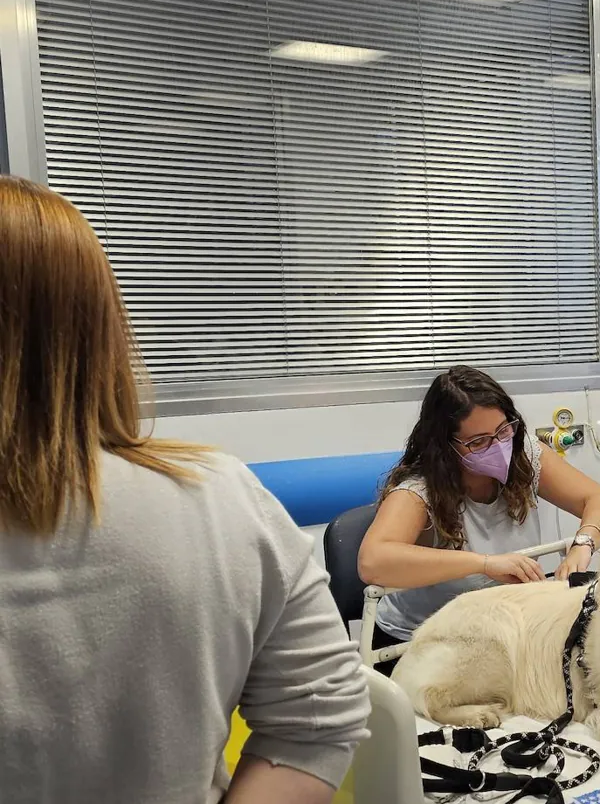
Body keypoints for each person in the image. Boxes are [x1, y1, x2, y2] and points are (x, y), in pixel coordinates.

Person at [0, 177, 370, 804]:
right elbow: (320, 719)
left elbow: (325, 711)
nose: (497, 444)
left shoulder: (220, 496)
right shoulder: (217, 497)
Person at [358, 365, 600, 668]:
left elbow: (599, 500)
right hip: (420, 645)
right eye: (478, 442)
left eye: (503, 431)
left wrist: (583, 545)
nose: (497, 447)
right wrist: (485, 564)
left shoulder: (526, 456)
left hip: (499, 628)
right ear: (445, 447)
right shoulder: (420, 491)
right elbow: (372, 561)